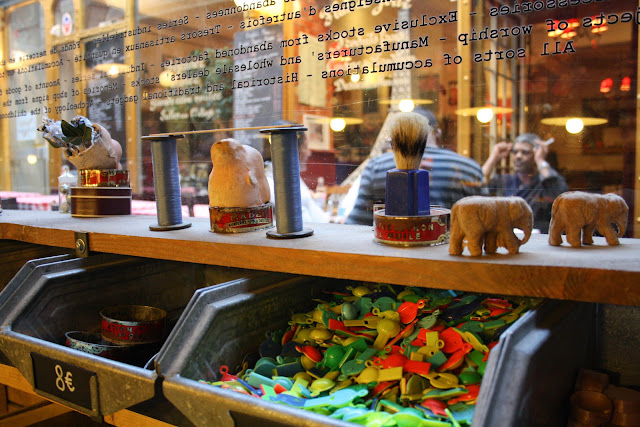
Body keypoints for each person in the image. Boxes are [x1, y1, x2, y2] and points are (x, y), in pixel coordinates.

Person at [346, 109, 487, 226]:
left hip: (390, 253)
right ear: (438, 133)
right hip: (451, 252)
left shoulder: (376, 167)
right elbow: (485, 219)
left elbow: (356, 225)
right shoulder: (470, 167)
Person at [482, 132, 569, 233]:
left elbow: (559, 193)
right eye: (515, 152)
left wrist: (540, 160)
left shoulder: (543, 184)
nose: (518, 156)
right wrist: (493, 158)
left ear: (536, 154)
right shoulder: (505, 181)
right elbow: (479, 186)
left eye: (525, 152)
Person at [266, 121, 330, 224]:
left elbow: (312, 213)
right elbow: (301, 221)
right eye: (305, 147)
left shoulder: (290, 176)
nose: (309, 153)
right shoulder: (273, 184)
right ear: (291, 149)